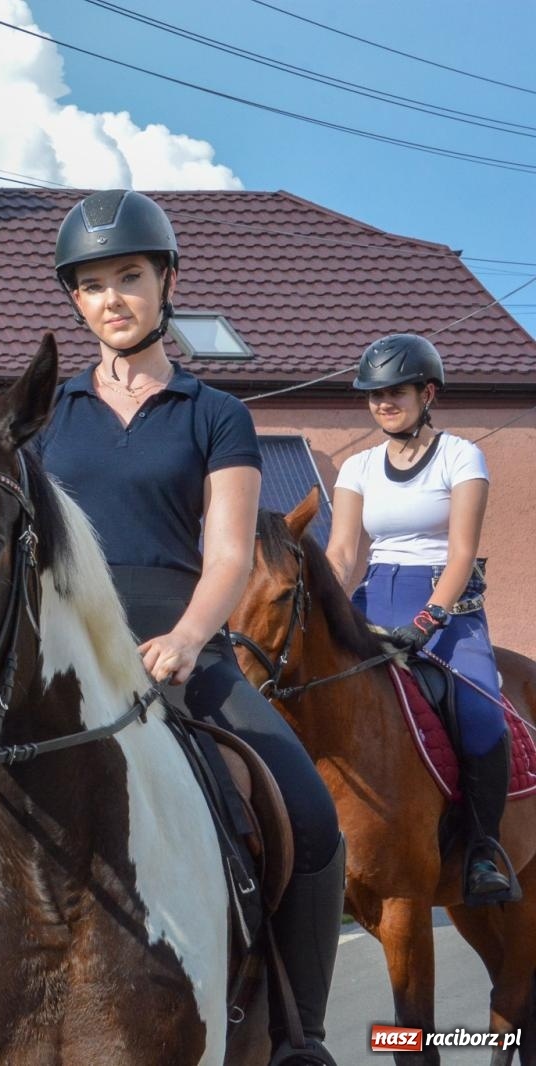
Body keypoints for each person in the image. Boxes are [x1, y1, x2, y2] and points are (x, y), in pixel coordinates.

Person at [33, 190, 344, 1065]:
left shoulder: (218, 415)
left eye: (129, 275)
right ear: (76, 302)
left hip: (184, 646)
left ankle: (299, 1035)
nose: (112, 298)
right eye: (91, 285)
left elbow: (229, 556)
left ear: (167, 282)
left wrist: (190, 638)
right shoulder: (50, 418)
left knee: (314, 821)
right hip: (69, 652)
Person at [327, 332, 513, 904]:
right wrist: (327, 607)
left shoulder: (461, 456)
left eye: (395, 393)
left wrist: (429, 620)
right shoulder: (357, 466)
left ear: (427, 393)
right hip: (375, 597)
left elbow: (461, 552)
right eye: (373, 395)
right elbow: (340, 553)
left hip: (447, 604)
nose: (383, 403)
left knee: (481, 713)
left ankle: (484, 848)